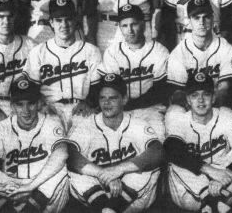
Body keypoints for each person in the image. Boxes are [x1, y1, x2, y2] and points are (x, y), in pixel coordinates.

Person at [0, 79, 69, 212]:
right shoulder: (3, 127)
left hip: (40, 188)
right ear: (12, 106)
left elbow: (62, 153)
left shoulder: (51, 124)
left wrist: (30, 186)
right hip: (11, 187)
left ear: (38, 103)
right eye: (20, 104)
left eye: (30, 103)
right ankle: (7, 209)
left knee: (61, 169)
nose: (26, 110)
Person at [66, 73, 163, 213]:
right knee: (75, 172)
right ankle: (109, 209)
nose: (106, 103)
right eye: (102, 98)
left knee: (147, 169)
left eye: (113, 98)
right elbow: (70, 154)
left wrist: (119, 169)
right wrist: (103, 173)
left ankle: (109, 209)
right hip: (99, 189)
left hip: (131, 194)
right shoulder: (87, 125)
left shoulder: (137, 124)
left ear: (124, 99)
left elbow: (158, 151)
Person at [164, 72, 232, 213]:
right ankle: (214, 202)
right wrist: (209, 170)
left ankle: (209, 206)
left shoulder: (225, 115)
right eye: (195, 95)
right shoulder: (181, 120)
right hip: (196, 183)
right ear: (188, 100)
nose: (201, 100)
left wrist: (228, 172)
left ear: (214, 98)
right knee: (175, 162)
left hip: (223, 177)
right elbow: (170, 148)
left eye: (206, 94)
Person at [23, 0, 102, 131]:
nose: (64, 25)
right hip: (50, 110)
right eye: (58, 20)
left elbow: (98, 86)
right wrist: (42, 105)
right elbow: (30, 88)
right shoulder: (38, 52)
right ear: (51, 23)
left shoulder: (91, 50)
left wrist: (89, 103)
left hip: (81, 110)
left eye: (68, 19)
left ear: (75, 20)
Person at [99, 4, 170, 140]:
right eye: (124, 26)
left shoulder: (159, 51)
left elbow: (160, 90)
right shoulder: (112, 52)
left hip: (151, 109)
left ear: (143, 24)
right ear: (119, 27)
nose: (130, 30)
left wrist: (130, 105)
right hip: (121, 111)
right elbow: (111, 88)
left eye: (134, 24)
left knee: (155, 140)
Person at [167, 0, 232, 106]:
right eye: (196, 18)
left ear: (213, 18)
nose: (202, 22)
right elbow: (178, 93)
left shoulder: (226, 49)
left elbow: (224, 90)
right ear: (189, 21)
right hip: (188, 107)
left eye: (206, 17)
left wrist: (206, 108)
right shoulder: (178, 53)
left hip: (217, 105)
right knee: (174, 114)